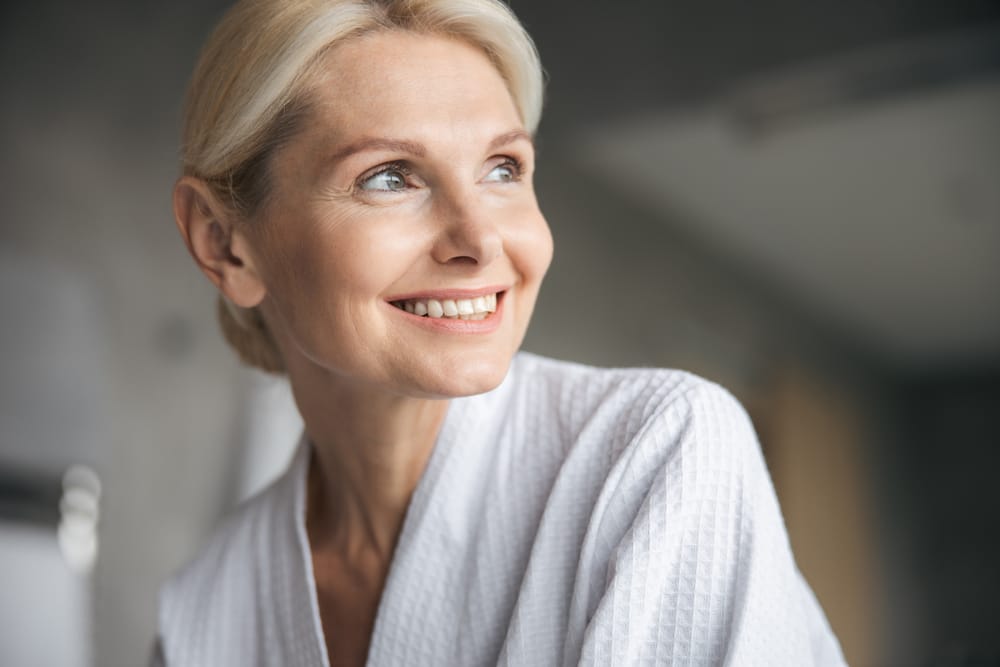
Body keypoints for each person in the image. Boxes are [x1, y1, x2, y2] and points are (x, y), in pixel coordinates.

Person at [155, 0, 847, 664]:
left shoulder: (659, 452)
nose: (481, 240)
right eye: (390, 177)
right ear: (225, 245)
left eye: (503, 168)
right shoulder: (204, 612)